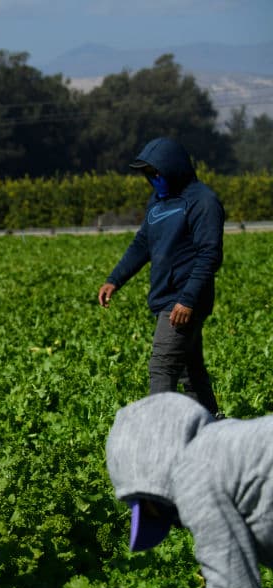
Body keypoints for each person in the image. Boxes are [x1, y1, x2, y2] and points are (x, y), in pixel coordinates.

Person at [106, 392, 273, 588]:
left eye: (150, 507)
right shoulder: (235, 445)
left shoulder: (194, 473)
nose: (175, 523)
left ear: (153, 471)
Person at [97, 136, 225, 416]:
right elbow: (143, 243)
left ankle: (158, 433)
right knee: (191, 371)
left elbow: (209, 255)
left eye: (157, 173)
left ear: (174, 168)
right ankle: (212, 427)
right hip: (167, 297)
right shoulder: (158, 202)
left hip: (182, 301)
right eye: (148, 175)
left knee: (162, 367)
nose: (153, 179)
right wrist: (115, 279)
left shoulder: (202, 201)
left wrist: (187, 300)